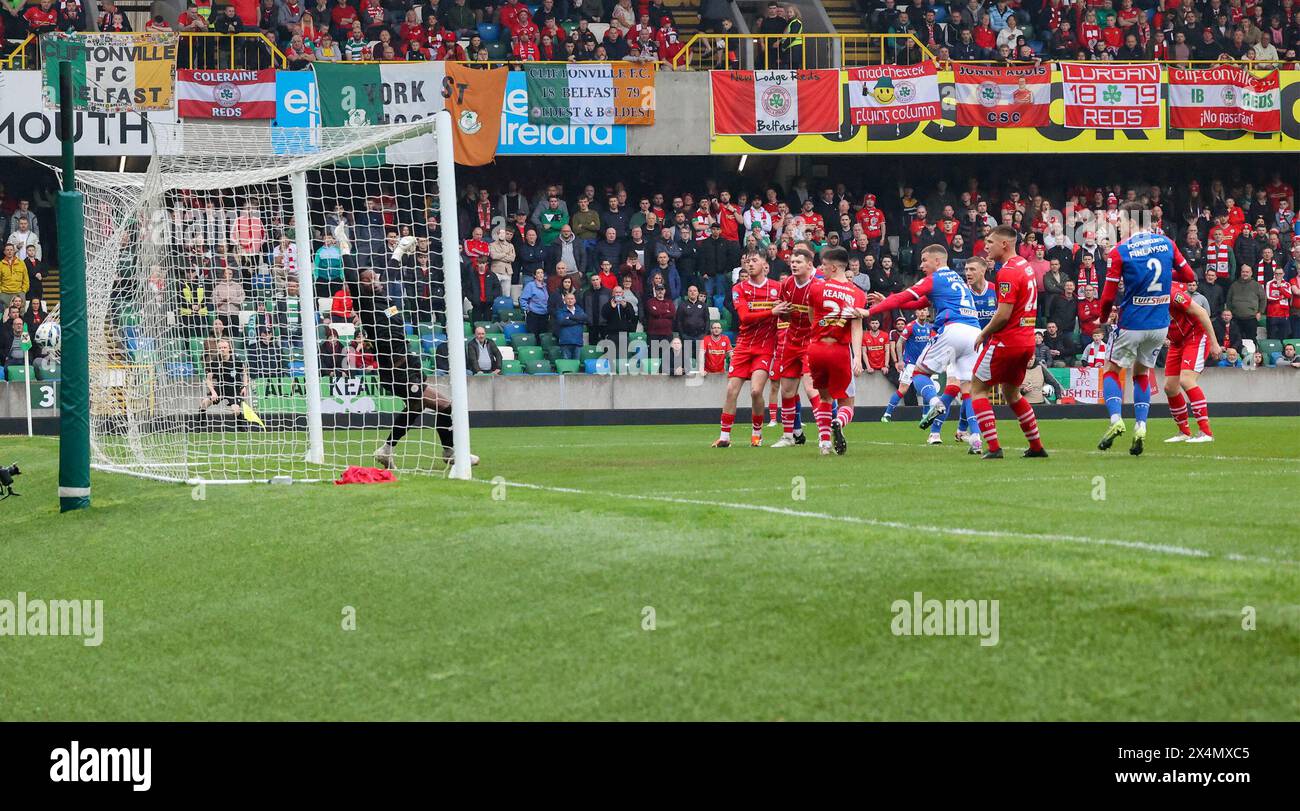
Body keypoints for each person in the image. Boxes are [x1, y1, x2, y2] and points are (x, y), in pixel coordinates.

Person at [350, 267, 477, 470]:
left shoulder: (386, 302)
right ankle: (450, 451)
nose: (374, 280)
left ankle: (387, 449)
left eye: (374, 276)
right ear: (361, 284)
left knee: (416, 408)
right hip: (397, 372)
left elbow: (393, 317)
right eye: (368, 279)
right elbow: (352, 278)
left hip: (409, 367)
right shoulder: (365, 304)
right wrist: (345, 247)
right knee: (445, 406)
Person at [865, 243, 983, 452]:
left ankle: (935, 402)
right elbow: (918, 304)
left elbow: (905, 296)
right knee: (968, 389)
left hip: (952, 328)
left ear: (937, 261)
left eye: (924, 260)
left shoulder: (934, 279)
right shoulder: (957, 280)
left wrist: (871, 311)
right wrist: (890, 301)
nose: (921, 265)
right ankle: (975, 438)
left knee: (919, 373)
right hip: (974, 333)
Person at [1097, 226, 1196, 455]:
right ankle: (1141, 425)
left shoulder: (1121, 251)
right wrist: (1167, 276)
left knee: (1111, 369)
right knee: (1141, 373)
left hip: (1132, 322)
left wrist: (1102, 318)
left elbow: (1108, 294)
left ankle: (1116, 419)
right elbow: (1189, 276)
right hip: (1160, 325)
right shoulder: (1167, 243)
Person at [970, 225, 1049, 460]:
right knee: (1012, 394)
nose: (986, 247)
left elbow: (1003, 314)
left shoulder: (1007, 272)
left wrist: (984, 333)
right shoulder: (1025, 266)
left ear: (1004, 244)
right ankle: (1036, 446)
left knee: (977, 388)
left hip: (1007, 341)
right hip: (1026, 341)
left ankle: (993, 448)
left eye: (990, 242)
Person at [712, 250, 784, 448]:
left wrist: (781, 312)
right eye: (747, 261)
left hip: (765, 346)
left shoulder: (777, 288)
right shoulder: (739, 288)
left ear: (765, 264)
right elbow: (744, 317)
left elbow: (787, 315)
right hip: (744, 345)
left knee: (755, 391)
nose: (750, 264)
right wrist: (772, 311)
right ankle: (724, 436)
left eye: (754, 260)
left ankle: (757, 433)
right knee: (731, 390)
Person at [807, 247, 866, 455]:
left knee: (824, 398)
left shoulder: (816, 288)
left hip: (816, 348)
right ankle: (839, 422)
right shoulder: (858, 294)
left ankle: (824, 443)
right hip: (840, 350)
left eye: (823, 266)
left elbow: (811, 316)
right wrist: (857, 357)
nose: (821, 269)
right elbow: (856, 327)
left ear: (833, 267)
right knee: (847, 402)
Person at [770, 247, 821, 448]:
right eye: (792, 262)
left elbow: (823, 318)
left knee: (811, 389)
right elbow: (784, 313)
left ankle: (825, 434)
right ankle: (788, 436)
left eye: (798, 262)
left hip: (811, 341)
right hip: (792, 341)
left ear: (809, 265)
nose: (793, 265)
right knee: (787, 391)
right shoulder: (788, 284)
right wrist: (782, 311)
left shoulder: (817, 286)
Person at [1162, 282, 1222, 443]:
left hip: (1195, 336)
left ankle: (1205, 432)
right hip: (1176, 342)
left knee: (1186, 380)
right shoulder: (1146, 297)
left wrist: (1214, 343)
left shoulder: (1172, 293)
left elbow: (1202, 312)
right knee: (1170, 387)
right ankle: (1184, 432)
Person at [881, 308, 934, 422]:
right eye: (920, 310)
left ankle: (925, 416)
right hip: (910, 364)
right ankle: (887, 414)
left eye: (924, 310)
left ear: (928, 313)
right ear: (916, 313)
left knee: (926, 389)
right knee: (903, 389)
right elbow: (899, 343)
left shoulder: (930, 328)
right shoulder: (910, 326)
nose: (922, 312)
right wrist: (900, 360)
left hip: (924, 365)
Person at [199, 338, 254, 419]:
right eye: (220, 348)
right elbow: (208, 379)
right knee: (204, 403)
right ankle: (200, 426)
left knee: (235, 411)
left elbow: (244, 373)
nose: (222, 350)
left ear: (229, 348)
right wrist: (213, 392)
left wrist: (245, 386)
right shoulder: (214, 361)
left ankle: (241, 427)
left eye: (224, 347)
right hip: (221, 387)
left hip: (234, 389)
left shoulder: (236, 360)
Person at [552, 292, 589, 361]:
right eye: (568, 299)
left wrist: (570, 317)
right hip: (565, 341)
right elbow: (562, 321)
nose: (570, 300)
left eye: (572, 299)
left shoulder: (580, 310)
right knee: (567, 365)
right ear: (564, 301)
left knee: (576, 365)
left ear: (575, 300)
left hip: (578, 341)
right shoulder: (560, 311)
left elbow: (585, 319)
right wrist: (578, 320)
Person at [519, 267, 551, 340]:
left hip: (545, 315)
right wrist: (527, 309)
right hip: (533, 315)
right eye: (538, 273)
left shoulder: (546, 286)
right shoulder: (530, 285)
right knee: (533, 336)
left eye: (542, 273)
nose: (540, 275)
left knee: (543, 337)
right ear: (535, 275)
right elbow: (523, 299)